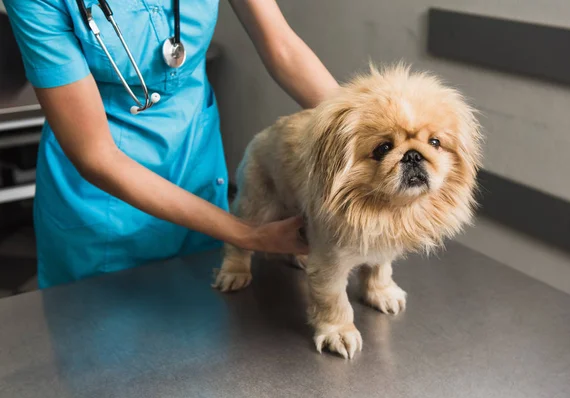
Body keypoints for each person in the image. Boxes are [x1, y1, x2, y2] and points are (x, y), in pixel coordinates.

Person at [3, 0, 338, 289]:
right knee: (103, 347)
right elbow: (96, 155)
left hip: (195, 161)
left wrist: (361, 125)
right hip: (102, 204)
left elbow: (283, 48)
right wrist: (246, 234)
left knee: (204, 326)